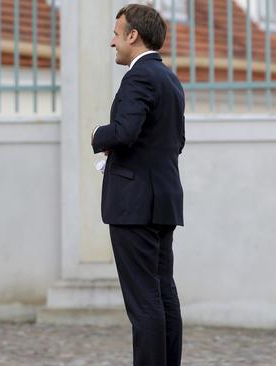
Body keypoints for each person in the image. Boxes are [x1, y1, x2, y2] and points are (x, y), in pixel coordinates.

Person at [91, 5, 185, 366]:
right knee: (163, 296)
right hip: (162, 203)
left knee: (144, 302)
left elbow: (125, 131)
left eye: (117, 33)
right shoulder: (170, 79)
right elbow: (174, 141)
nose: (112, 41)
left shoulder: (138, 78)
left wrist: (98, 135)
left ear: (133, 36)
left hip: (134, 207)